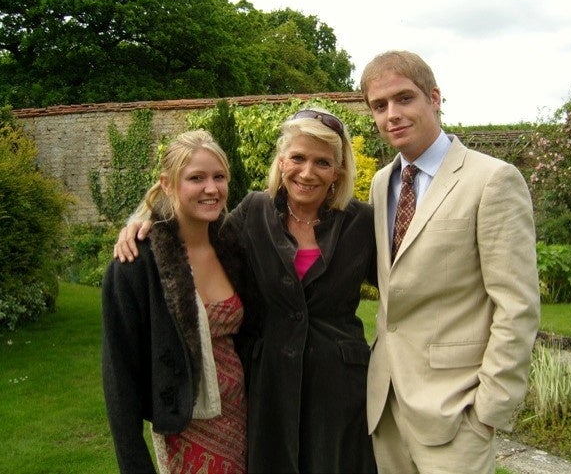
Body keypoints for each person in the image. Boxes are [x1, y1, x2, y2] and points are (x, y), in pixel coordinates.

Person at [113, 108, 378, 474]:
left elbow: (404, 284)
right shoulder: (255, 212)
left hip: (339, 387)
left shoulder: (362, 221)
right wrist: (145, 220)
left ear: (339, 171)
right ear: (281, 161)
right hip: (267, 386)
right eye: (298, 158)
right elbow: (198, 224)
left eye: (322, 162)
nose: (307, 172)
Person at [360, 50, 541, 473]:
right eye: (379, 106)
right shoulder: (382, 182)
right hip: (385, 408)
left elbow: (517, 305)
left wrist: (487, 411)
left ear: (435, 98)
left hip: (456, 413)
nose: (392, 115)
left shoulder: (492, 180)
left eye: (404, 98)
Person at [102, 130, 247, 474]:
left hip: (245, 415)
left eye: (219, 177)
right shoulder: (137, 264)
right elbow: (119, 379)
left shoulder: (234, 245)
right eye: (196, 178)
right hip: (185, 425)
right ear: (167, 184)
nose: (211, 189)